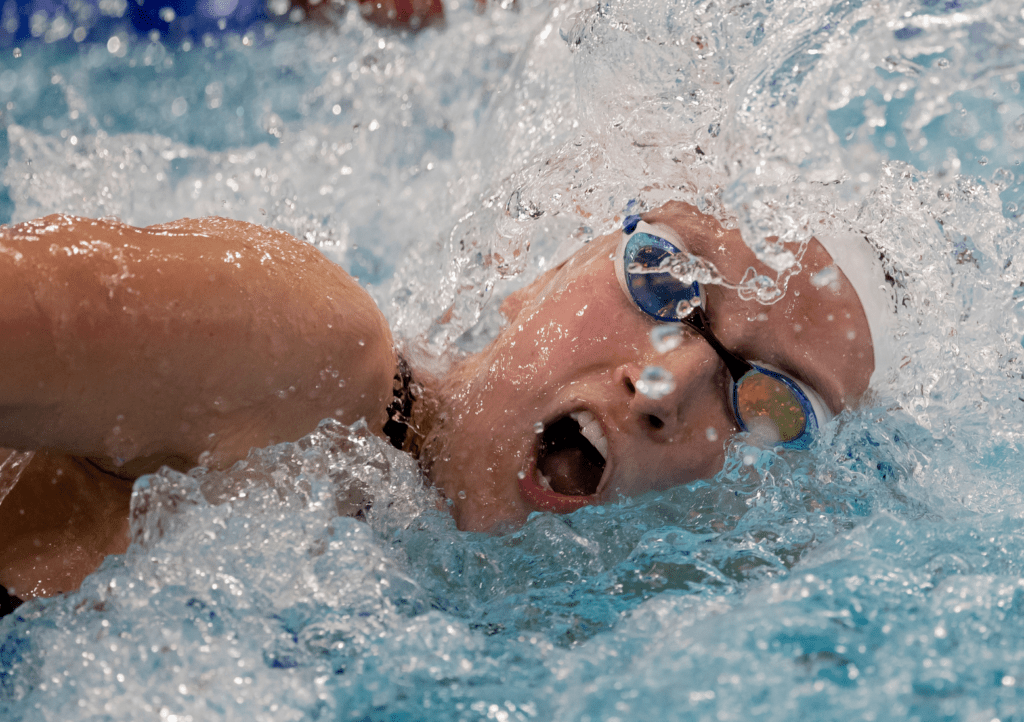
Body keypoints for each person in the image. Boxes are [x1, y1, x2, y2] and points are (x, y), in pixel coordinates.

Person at [0, 199, 890, 610]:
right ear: (541, 274)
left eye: (770, 404)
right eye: (665, 280)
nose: (665, 388)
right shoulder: (303, 351)